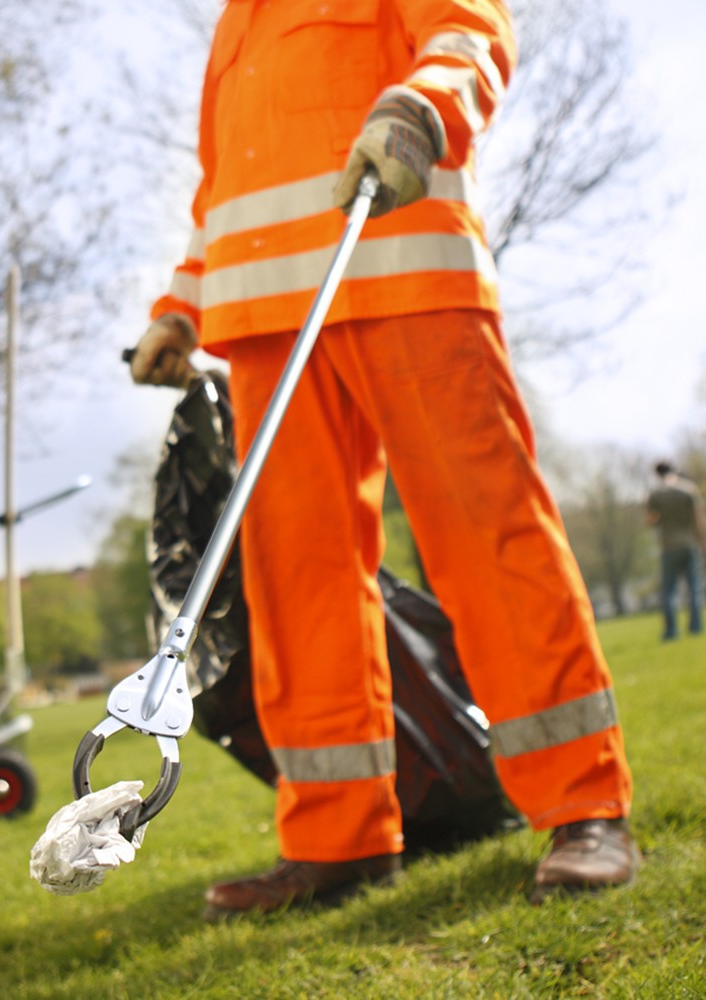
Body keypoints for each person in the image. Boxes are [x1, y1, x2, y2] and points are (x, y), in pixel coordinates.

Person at [128, 0, 637, 916]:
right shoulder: (238, 22)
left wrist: (424, 106)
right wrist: (181, 306)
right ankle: (338, 842)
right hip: (263, 325)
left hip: (401, 265)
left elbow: (470, 35)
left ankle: (584, 805)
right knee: (296, 584)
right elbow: (226, 187)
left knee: (490, 537)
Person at [647, 460, 705, 639]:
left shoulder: (656, 494)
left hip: (668, 546)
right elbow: (699, 520)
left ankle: (671, 631)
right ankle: (695, 627)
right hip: (690, 544)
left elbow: (650, 520)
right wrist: (703, 543)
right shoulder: (689, 490)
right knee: (694, 587)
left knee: (669, 590)